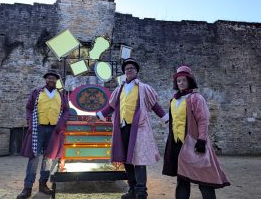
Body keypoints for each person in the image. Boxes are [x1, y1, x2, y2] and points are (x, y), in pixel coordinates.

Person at [89, 58, 168, 199]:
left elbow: (154, 105)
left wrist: (165, 118)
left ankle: (141, 193)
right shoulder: (119, 89)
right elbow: (111, 106)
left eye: (131, 68)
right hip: (122, 128)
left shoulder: (143, 88)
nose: (129, 70)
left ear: (136, 71)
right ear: (124, 72)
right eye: (126, 69)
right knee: (126, 160)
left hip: (138, 129)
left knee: (139, 160)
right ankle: (132, 190)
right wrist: (97, 115)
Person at [162, 66, 230, 199]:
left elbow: (203, 120)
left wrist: (201, 140)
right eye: (178, 81)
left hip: (194, 142)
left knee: (204, 177)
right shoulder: (174, 100)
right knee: (182, 178)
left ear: (189, 81)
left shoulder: (196, 98)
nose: (181, 83)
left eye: (183, 80)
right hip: (178, 144)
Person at [17, 70, 69, 199]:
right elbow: (29, 108)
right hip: (38, 128)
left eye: (53, 78)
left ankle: (43, 185)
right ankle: (27, 188)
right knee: (34, 157)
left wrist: (61, 124)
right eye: (49, 78)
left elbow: (66, 111)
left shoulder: (61, 94)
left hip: (54, 130)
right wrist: (30, 121)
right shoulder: (37, 92)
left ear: (56, 81)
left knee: (49, 158)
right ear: (46, 80)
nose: (51, 80)